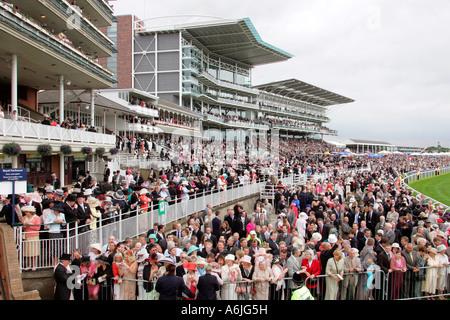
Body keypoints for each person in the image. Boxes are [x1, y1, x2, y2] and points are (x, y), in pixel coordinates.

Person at [21, 205, 41, 271]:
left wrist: (30, 225)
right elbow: (22, 226)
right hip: (27, 235)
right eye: (25, 212)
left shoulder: (37, 218)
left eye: (27, 212)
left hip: (34, 236)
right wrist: (25, 224)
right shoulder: (24, 217)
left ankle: (34, 265)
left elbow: (38, 228)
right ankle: (28, 265)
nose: (26, 213)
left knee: (34, 251)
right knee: (27, 251)